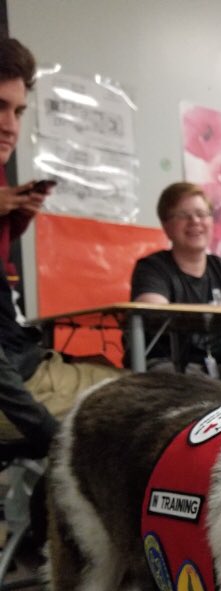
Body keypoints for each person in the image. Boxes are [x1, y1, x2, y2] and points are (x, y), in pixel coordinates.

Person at [0, 37, 118, 457]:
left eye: (18, 111)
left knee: (120, 377)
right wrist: (51, 439)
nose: (11, 126)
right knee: (137, 401)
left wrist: (15, 217)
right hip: (17, 385)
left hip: (22, 362)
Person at [130, 182, 221, 377]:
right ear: (166, 226)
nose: (195, 221)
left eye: (201, 214)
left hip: (217, 363)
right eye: (183, 215)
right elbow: (154, 312)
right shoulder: (152, 268)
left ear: (211, 222)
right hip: (167, 364)